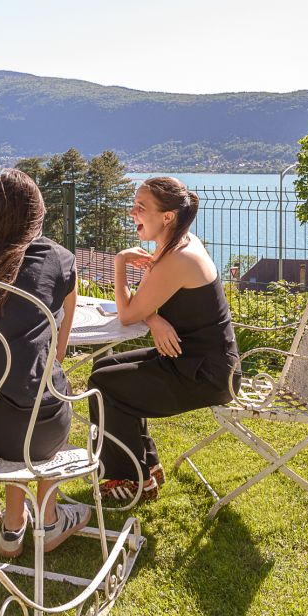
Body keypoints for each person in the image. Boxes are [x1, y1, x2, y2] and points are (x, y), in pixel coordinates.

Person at [0, 168, 89, 558]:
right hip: (32, 430)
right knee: (45, 388)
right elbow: (57, 350)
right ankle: (51, 520)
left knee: (12, 388)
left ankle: (13, 526)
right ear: (38, 216)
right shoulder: (59, 259)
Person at [88, 176, 240, 503]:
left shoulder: (178, 258)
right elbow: (145, 304)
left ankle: (130, 478)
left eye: (141, 207)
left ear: (167, 217)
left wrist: (119, 264)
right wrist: (154, 317)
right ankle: (147, 466)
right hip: (192, 360)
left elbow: (127, 313)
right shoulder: (180, 244)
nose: (132, 213)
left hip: (205, 375)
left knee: (104, 384)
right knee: (104, 368)